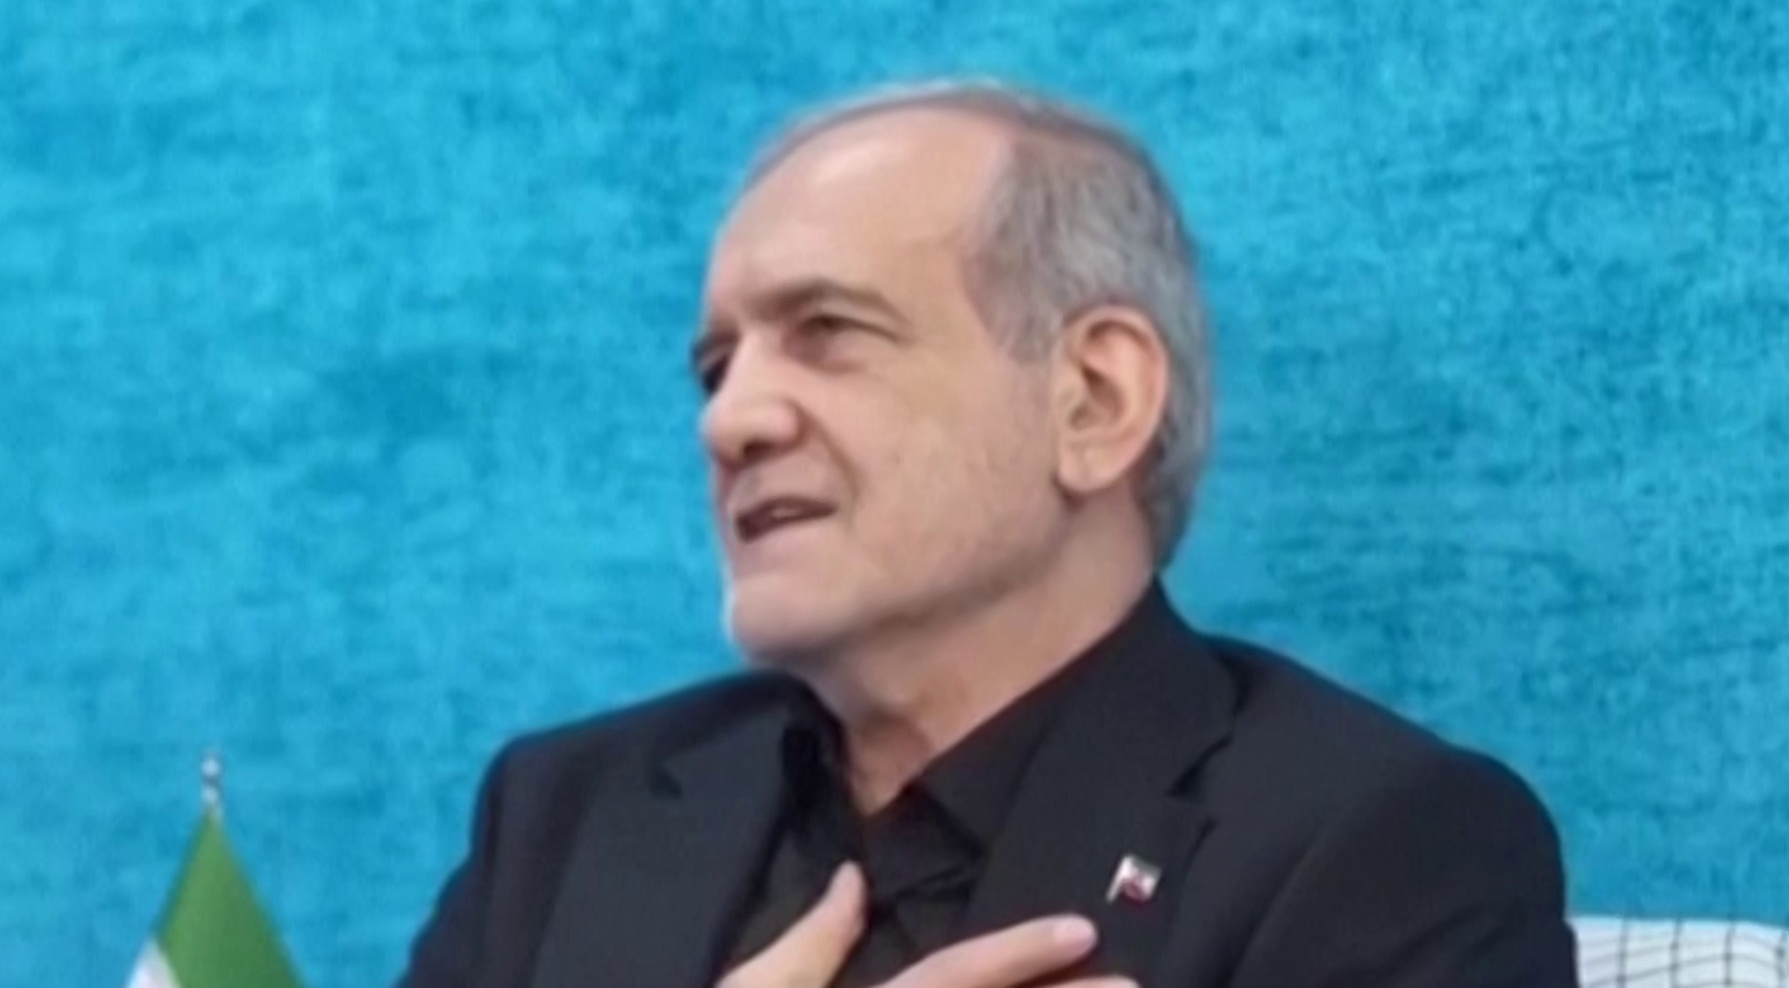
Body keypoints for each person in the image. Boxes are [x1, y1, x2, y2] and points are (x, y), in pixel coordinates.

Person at [394, 80, 1578, 988]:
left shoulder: (1384, 847)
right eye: (716, 367)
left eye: (827, 332)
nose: (730, 420)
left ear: (1095, 401)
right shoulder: (562, 814)